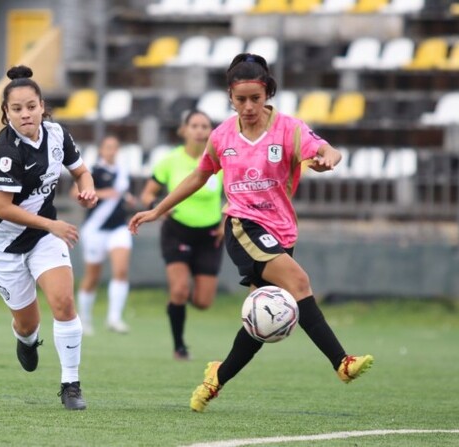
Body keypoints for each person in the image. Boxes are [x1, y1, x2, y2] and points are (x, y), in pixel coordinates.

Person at [129, 53, 374, 412]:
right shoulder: (222, 135)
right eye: (240, 99)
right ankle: (342, 362)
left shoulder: (288, 129)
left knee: (263, 320)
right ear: (230, 96)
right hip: (242, 226)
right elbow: (199, 176)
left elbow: (323, 149)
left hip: (281, 233)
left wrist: (329, 158)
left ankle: (216, 378)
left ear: (267, 94)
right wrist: (157, 209)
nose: (247, 106)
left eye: (255, 99)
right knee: (299, 282)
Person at [0, 65, 98, 411]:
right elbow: (1, 208)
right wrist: (51, 224)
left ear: (42, 106)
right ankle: (25, 339)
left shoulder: (57, 134)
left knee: (63, 303)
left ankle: (70, 385)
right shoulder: (4, 152)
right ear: (6, 113)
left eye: (31, 106)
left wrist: (86, 190)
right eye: (17, 109)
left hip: (44, 237)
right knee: (29, 323)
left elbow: (81, 171)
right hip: (1, 246)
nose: (25, 113)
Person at [139, 110, 225, 360]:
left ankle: (175, 307)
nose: (200, 130)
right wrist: (158, 205)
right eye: (194, 125)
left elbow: (234, 191)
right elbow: (147, 194)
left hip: (210, 235)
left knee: (202, 302)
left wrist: (226, 219)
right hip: (177, 231)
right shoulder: (170, 160)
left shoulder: (219, 160)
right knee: (179, 290)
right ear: (184, 130)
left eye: (205, 126)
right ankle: (179, 346)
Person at [73, 135, 136, 335]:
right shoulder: (93, 171)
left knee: (121, 270)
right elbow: (77, 192)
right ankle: (85, 319)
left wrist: (127, 199)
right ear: (101, 150)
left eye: (115, 147)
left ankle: (114, 318)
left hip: (118, 228)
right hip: (95, 229)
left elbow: (122, 194)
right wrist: (101, 194)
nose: (112, 151)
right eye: (108, 147)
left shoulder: (123, 173)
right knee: (92, 276)